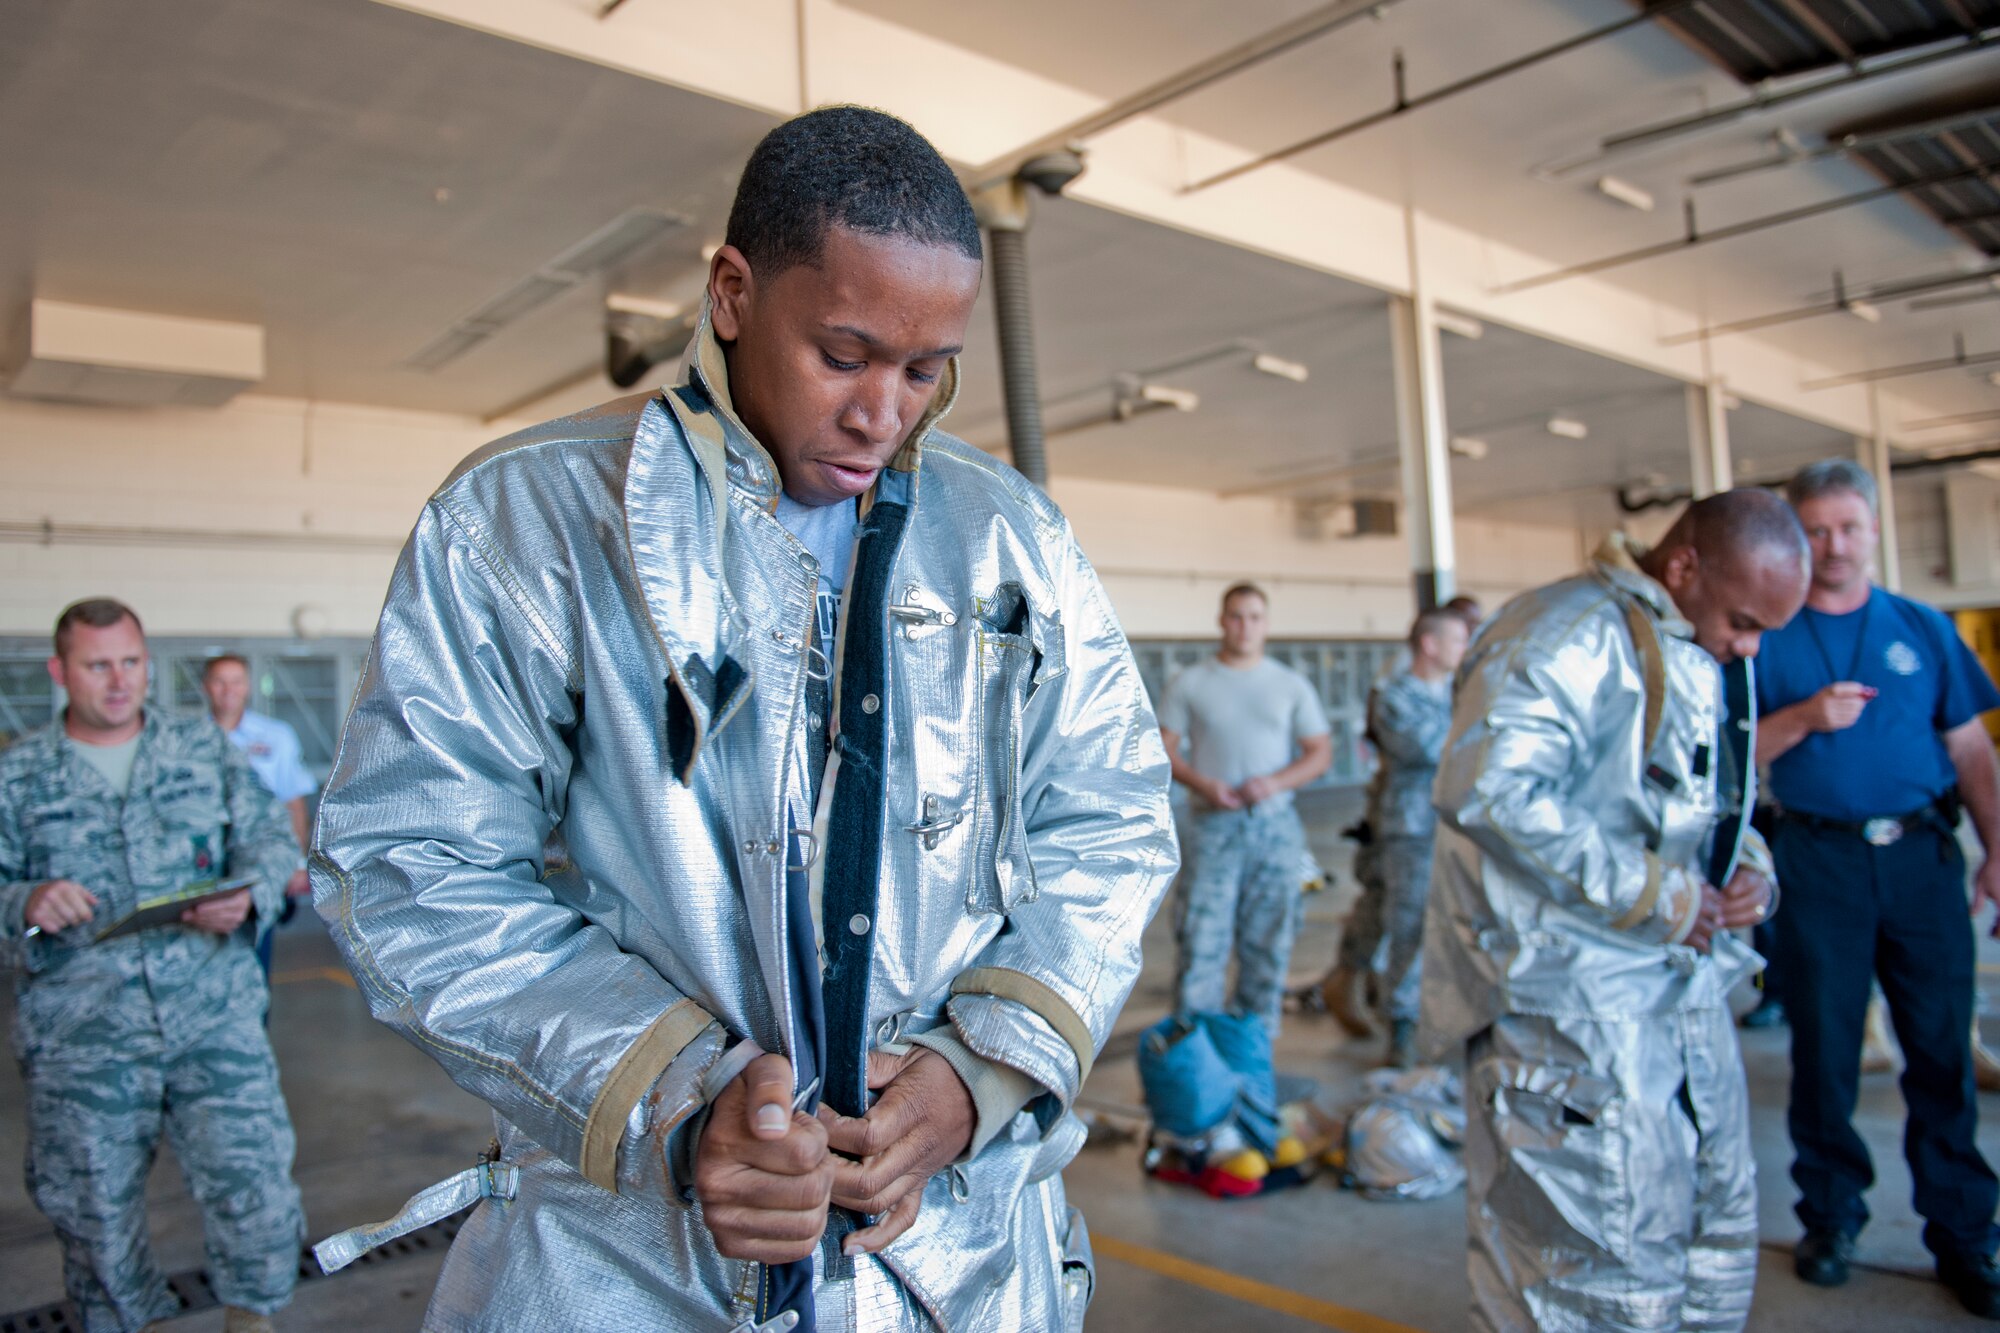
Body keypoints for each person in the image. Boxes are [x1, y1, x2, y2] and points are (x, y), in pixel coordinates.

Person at [311, 107, 1175, 1332]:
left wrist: (979, 1072)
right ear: (731, 292)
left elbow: (1110, 817)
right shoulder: (525, 523)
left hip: (958, 1260)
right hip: (629, 1271)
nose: (885, 412)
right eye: (844, 353)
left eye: (926, 370)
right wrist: (674, 1098)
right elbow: (414, 861)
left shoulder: (1011, 537)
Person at [1423, 490, 1808, 1331]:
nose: (1749, 646)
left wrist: (1744, 867)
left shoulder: (1688, 644)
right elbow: (1488, 786)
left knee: (1709, 1235)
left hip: (1680, 992)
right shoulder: (1564, 633)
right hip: (1572, 1011)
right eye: (1744, 620)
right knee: (1592, 1269)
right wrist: (1662, 894)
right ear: (1683, 568)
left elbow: (1694, 795)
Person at [0, 598, 304, 1333]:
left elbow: (271, 840)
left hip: (213, 1012)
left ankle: (252, 1319)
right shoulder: (20, 773)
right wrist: (26, 897)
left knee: (254, 1183)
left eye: (130, 662)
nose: (117, 681)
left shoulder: (201, 748)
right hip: (84, 1029)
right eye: (97, 664)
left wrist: (249, 894)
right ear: (59, 671)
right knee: (93, 1207)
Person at [1754, 458, 2000, 1316]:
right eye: (1814, 530)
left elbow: (1971, 748)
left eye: (1847, 527)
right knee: (1823, 1053)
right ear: (1795, 538)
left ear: (1873, 529)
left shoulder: (1922, 628)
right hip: (1815, 861)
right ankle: (1830, 1217)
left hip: (1920, 858)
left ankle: (1966, 1232)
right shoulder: (1767, 638)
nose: (1833, 546)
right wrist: (1804, 718)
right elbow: (1732, 758)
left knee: (1939, 1052)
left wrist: (1996, 847)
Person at [1157, 582, 1333, 1033]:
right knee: (1202, 941)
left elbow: (1319, 753)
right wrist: (1204, 783)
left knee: (1269, 942)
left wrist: (1275, 783)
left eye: (1254, 617)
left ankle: (1254, 1046)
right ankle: (1197, 1053)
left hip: (1275, 828)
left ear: (1266, 624)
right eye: (1236, 616)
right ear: (1221, 620)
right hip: (1212, 826)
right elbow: (1163, 750)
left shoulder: (1289, 684)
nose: (1245, 626)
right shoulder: (1191, 682)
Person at [1325, 608, 1468, 1068]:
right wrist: (1471, 731)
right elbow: (1429, 747)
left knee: (1449, 927)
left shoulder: (1458, 696)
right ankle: (1402, 1028)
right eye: (1457, 640)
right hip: (1410, 831)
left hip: (1453, 824)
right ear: (1430, 644)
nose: (1464, 649)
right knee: (1409, 926)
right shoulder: (1397, 697)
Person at [202, 654, 315, 982]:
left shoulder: (275, 736)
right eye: (220, 681)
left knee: (254, 960)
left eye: (236, 681)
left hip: (258, 864)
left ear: (248, 687)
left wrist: (296, 863)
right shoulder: (188, 740)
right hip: (205, 867)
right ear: (207, 687)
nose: (228, 690)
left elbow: (293, 802)